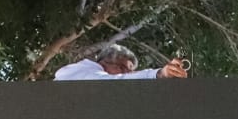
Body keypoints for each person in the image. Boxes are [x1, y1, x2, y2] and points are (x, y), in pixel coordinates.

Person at [54, 42, 191, 80]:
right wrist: (159, 74)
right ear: (106, 61)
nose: (127, 74)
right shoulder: (81, 70)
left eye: (130, 72)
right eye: (124, 69)